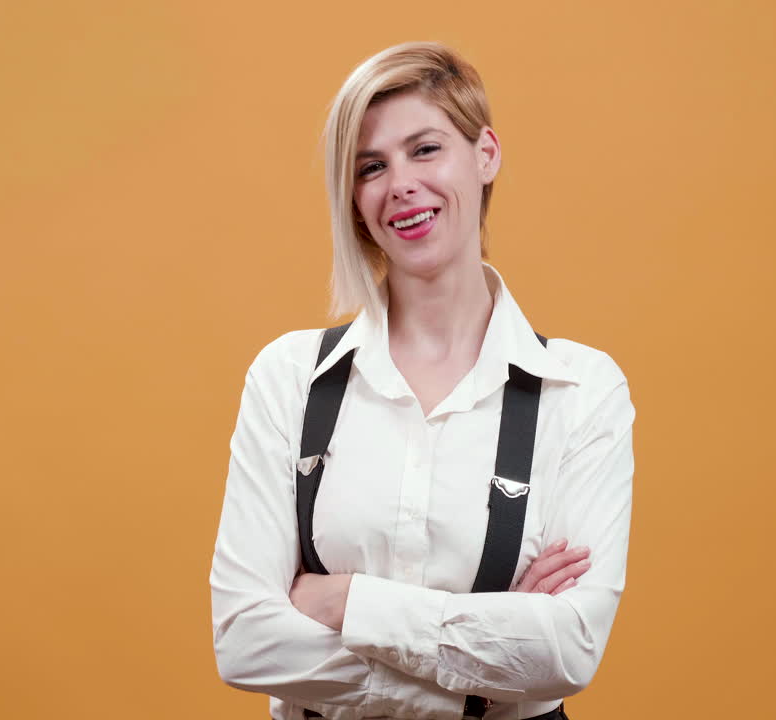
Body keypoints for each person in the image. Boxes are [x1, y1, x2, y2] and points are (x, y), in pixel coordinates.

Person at [210, 41, 635, 720]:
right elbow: (244, 642)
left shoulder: (580, 392)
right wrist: (489, 668)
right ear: (353, 199)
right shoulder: (290, 379)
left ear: (485, 154)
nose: (400, 183)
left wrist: (345, 602)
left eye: (425, 149)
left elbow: (568, 652)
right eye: (371, 167)